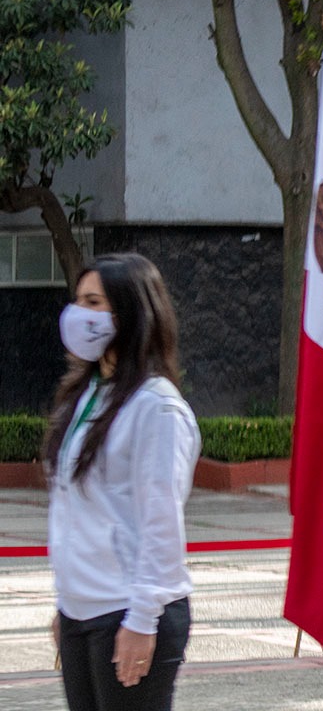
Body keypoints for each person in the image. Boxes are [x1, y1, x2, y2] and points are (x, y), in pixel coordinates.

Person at [44, 253, 201, 711]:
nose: (78, 314)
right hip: (83, 609)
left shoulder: (156, 406)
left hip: (130, 611)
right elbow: (73, 509)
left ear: (132, 314)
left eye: (94, 302)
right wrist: (67, 604)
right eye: (78, 301)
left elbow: (161, 522)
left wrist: (142, 619)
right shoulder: (85, 396)